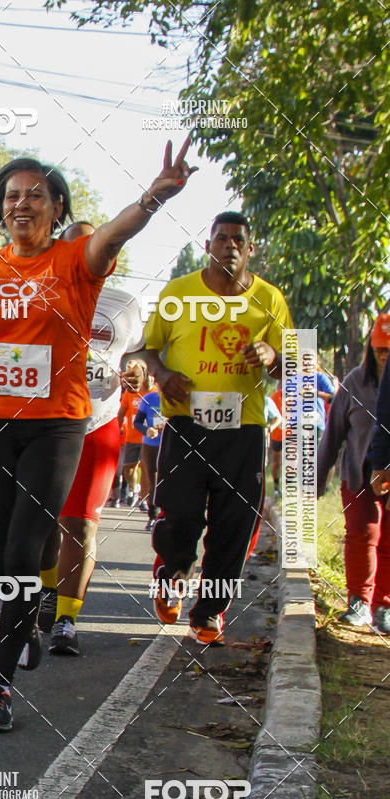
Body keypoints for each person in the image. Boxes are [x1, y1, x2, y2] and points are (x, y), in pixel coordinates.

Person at [0, 140, 196, 731]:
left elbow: (115, 233)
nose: (21, 204)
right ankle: (25, 618)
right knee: (6, 557)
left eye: (35, 195)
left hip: (57, 425)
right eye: (11, 196)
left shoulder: (77, 261)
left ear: (57, 207)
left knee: (29, 548)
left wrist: (155, 196)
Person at [145, 211, 293, 643]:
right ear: (208, 245)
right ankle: (171, 573)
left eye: (238, 240)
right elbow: (148, 349)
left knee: (235, 525)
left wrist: (271, 354)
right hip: (186, 423)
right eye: (221, 238)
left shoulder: (271, 299)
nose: (229, 245)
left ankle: (209, 611)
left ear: (250, 249)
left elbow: (293, 367)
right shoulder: (178, 292)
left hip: (243, 430)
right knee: (181, 516)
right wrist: (161, 374)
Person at [36, 220, 144, 654]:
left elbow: (138, 354)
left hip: (100, 421)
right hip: (46, 421)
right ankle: (46, 591)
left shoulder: (125, 304)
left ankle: (66, 618)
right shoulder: (36, 290)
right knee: (44, 519)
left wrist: (139, 370)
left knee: (80, 523)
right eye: (72, 245)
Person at [319, 317, 390, 633]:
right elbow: (332, 435)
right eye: (380, 350)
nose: (385, 356)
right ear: (370, 350)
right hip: (358, 473)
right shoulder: (354, 383)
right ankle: (359, 601)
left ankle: (384, 605)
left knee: (388, 539)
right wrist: (318, 480)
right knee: (363, 534)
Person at [117, 360, 150, 507]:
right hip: (131, 437)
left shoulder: (153, 391)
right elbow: (121, 412)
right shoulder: (130, 393)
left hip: (148, 438)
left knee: (146, 470)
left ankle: (145, 499)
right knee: (128, 470)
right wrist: (118, 427)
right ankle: (134, 489)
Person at [133, 384, 163, 530]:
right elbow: (137, 422)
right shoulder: (149, 398)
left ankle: (167, 514)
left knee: (168, 480)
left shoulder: (177, 397)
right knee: (152, 480)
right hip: (151, 445)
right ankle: (153, 516)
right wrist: (147, 430)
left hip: (171, 444)